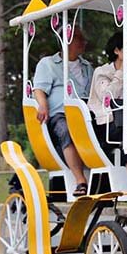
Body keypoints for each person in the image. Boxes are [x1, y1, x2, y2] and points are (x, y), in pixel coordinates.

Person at [33, 26, 93, 195]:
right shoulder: (48, 64)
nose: (83, 42)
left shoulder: (87, 67)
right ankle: (80, 181)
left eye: (83, 38)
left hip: (86, 115)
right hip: (60, 115)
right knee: (66, 129)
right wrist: (42, 105)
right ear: (65, 40)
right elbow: (39, 89)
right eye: (78, 38)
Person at [88, 34, 127, 177]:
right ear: (116, 51)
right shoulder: (102, 72)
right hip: (106, 126)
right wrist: (121, 72)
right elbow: (107, 97)